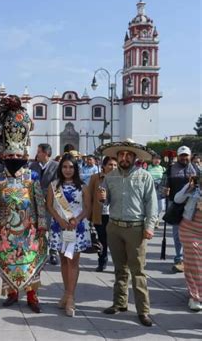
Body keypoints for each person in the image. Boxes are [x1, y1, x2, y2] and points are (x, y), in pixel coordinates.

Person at [0, 95, 47, 314]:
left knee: (29, 261)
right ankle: (12, 293)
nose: (13, 157)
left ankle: (32, 295)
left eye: (16, 154)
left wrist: (42, 225)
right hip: (5, 229)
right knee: (8, 261)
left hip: (29, 230)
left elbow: (39, 201)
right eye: (9, 154)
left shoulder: (32, 176)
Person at [97, 139, 158, 327]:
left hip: (136, 228)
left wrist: (150, 226)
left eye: (128, 155)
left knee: (138, 271)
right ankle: (119, 303)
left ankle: (143, 310)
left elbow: (151, 204)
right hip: (114, 227)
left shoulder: (144, 176)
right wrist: (102, 199)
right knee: (119, 269)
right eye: (121, 154)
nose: (124, 158)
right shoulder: (110, 177)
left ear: (134, 157)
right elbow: (105, 203)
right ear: (117, 157)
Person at [47, 153, 91, 317]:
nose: (67, 170)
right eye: (64, 166)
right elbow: (50, 206)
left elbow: (88, 208)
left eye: (71, 167)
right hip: (60, 228)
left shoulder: (83, 187)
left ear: (76, 168)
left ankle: (71, 297)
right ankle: (66, 293)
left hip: (76, 229)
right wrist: (59, 220)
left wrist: (76, 220)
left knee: (73, 262)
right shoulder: (54, 186)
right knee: (64, 261)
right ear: (61, 168)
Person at [161, 146, 199, 273]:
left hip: (193, 204)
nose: (184, 157)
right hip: (175, 204)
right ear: (178, 156)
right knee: (177, 234)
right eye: (182, 155)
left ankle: (190, 259)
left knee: (191, 234)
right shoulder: (170, 169)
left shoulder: (196, 169)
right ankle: (179, 258)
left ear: (190, 155)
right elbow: (163, 185)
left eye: (186, 155)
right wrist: (164, 191)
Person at [174, 174, 202, 311]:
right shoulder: (193, 187)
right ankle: (195, 296)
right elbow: (177, 199)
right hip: (189, 230)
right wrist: (188, 187)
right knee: (193, 264)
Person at [29, 143, 59, 266]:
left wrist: (45, 194)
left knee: (51, 228)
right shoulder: (33, 165)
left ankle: (53, 252)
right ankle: (41, 251)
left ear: (46, 153)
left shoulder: (56, 166)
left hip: (50, 203)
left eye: (39, 151)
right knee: (38, 228)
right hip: (36, 203)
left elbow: (57, 184)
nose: (37, 154)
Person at [88, 156, 118, 272]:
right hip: (100, 214)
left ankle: (118, 264)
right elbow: (90, 196)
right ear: (104, 166)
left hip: (115, 214)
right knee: (102, 240)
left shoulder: (120, 178)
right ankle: (102, 261)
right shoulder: (95, 178)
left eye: (115, 165)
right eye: (110, 164)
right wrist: (89, 215)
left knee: (115, 241)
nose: (113, 167)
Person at [146, 154, 166, 227]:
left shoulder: (163, 169)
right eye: (155, 159)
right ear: (152, 160)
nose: (157, 160)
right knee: (151, 205)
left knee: (161, 206)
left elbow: (165, 179)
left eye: (158, 159)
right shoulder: (148, 167)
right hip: (151, 189)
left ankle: (155, 217)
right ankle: (153, 220)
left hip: (160, 189)